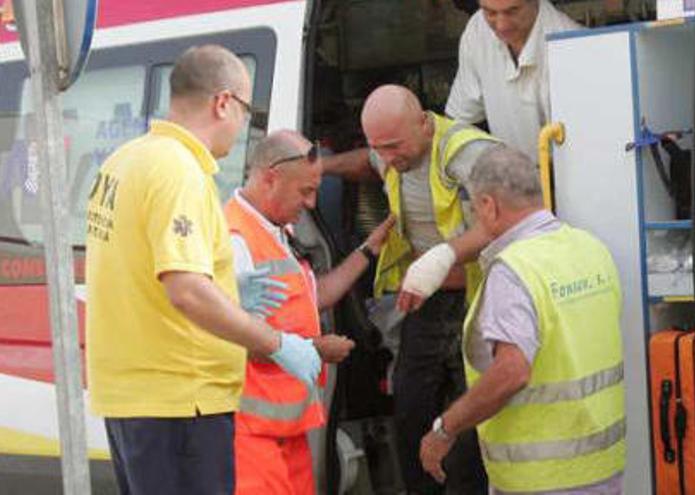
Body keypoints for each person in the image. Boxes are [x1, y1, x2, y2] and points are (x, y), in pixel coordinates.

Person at [85, 45, 321, 495]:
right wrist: (274, 341)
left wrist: (228, 289)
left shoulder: (126, 160)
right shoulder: (180, 171)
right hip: (180, 400)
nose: (242, 126)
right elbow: (187, 290)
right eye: (247, 111)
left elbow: (141, 272)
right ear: (223, 102)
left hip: (134, 397)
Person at [418, 144, 626, 494]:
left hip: (541, 479)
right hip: (603, 466)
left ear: (488, 205)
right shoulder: (590, 248)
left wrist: (445, 428)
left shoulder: (514, 271)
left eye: (474, 207)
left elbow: (511, 372)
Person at [325, 84, 495, 493]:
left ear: (424, 123)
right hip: (426, 303)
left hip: (476, 300)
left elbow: (506, 216)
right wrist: (323, 166)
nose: (387, 158)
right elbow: (367, 162)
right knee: (411, 410)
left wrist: (441, 259)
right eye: (378, 147)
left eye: (394, 146)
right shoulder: (390, 153)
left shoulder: (463, 151)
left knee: (469, 419)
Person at [226, 129, 395, 494]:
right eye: (305, 191)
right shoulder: (235, 239)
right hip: (251, 433)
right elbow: (237, 336)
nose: (312, 202)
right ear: (271, 177)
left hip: (288, 428)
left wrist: (369, 249)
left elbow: (316, 297)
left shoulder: (274, 231)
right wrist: (318, 348)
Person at [446, 0, 580, 162]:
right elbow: (459, 122)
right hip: (509, 177)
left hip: (567, 173)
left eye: (512, 11)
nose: (502, 25)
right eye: (490, 12)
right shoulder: (477, 30)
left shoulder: (571, 45)